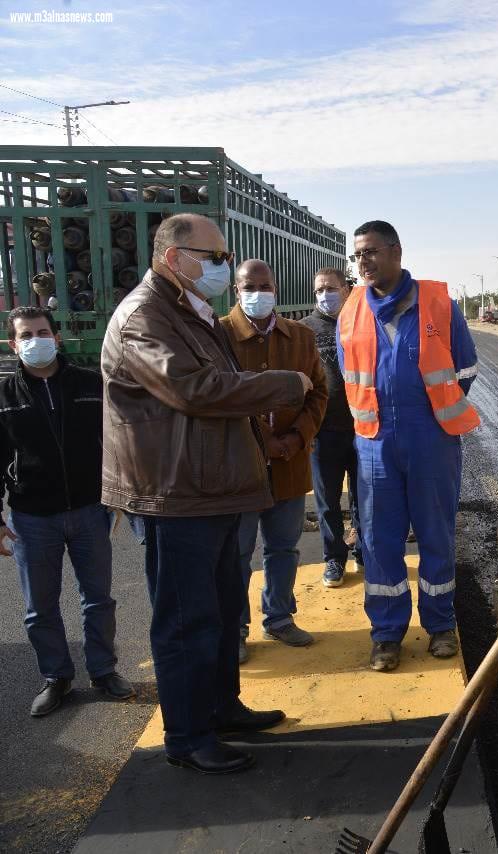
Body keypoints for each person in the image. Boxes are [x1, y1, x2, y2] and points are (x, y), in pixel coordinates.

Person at [101, 213, 313, 775]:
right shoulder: (145, 317)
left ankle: (222, 707)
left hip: (213, 489)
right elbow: (195, 390)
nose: (224, 267)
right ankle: (189, 735)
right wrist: (286, 383)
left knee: (219, 612)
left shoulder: (193, 313)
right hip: (176, 494)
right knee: (185, 620)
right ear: (175, 258)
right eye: (215, 257)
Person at [338, 220, 479, 672]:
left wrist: (435, 412)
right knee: (380, 540)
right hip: (375, 445)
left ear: (397, 252)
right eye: (358, 255)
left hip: (432, 441)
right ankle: (386, 635)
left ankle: (439, 626)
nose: (364, 262)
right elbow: (349, 374)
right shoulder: (351, 309)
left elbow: (466, 370)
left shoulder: (439, 304)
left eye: (372, 252)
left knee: (436, 534)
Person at [0, 307, 132, 717]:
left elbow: (115, 443)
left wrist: (118, 494)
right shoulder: (4, 398)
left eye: (42, 332)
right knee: (40, 606)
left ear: (57, 338)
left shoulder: (90, 385)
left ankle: (103, 670)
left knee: (98, 599)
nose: (35, 340)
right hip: (31, 518)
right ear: (13, 343)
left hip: (91, 511)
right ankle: (56, 677)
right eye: (26, 335)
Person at [222, 260, 328, 662]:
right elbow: (217, 395)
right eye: (250, 286)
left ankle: (279, 617)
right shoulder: (219, 335)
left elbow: (319, 392)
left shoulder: (299, 336)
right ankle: (235, 628)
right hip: (239, 470)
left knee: (283, 549)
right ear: (236, 290)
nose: (259, 293)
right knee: (236, 554)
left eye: (266, 285)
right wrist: (261, 441)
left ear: (277, 290)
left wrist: (295, 438)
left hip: (289, 463)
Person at [301, 268, 363, 589]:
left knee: (363, 498)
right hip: (324, 434)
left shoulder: (361, 325)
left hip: (363, 430)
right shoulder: (304, 331)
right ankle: (334, 557)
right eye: (319, 290)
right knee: (326, 503)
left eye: (330, 288)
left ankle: (363, 550)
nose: (325, 294)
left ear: (347, 289)